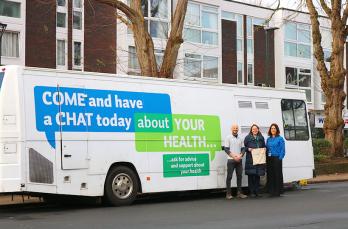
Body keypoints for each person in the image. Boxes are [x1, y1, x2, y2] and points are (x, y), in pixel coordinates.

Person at [224, 124, 248, 200]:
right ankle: (228, 194)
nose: (235, 129)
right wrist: (234, 157)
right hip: (231, 160)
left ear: (238, 129)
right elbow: (226, 149)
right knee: (229, 177)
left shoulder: (241, 138)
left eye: (237, 128)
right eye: (234, 128)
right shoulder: (228, 137)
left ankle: (239, 193)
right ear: (231, 129)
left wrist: (240, 155)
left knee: (239, 176)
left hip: (239, 160)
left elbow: (243, 148)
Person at [244, 124, 266, 197]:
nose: (255, 130)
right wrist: (248, 149)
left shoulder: (261, 138)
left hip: (259, 159)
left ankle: (257, 191)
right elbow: (244, 147)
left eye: (256, 129)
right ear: (251, 130)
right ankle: (252, 192)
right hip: (251, 159)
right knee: (251, 176)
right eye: (253, 129)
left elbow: (264, 146)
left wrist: (265, 149)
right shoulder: (247, 138)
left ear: (258, 130)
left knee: (257, 175)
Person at [266, 123, 285, 197]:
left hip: (277, 158)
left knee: (277, 174)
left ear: (277, 130)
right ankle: (271, 191)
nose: (273, 129)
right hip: (269, 158)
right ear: (270, 130)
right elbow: (267, 148)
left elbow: (282, 149)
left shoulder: (280, 138)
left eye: (274, 128)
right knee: (270, 175)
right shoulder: (268, 139)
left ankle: (278, 191)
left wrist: (280, 158)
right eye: (272, 128)